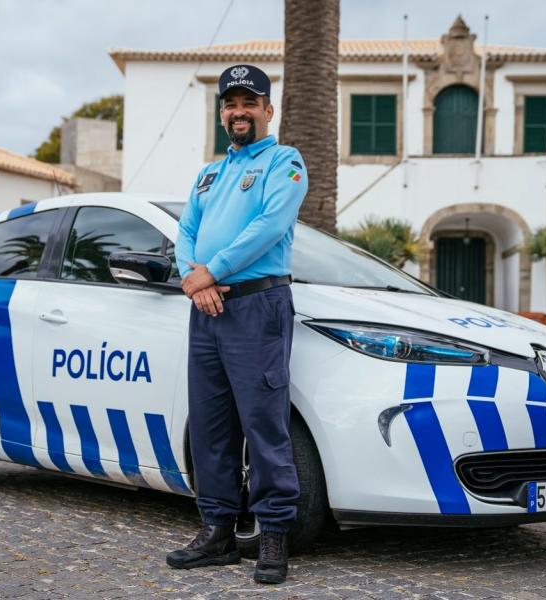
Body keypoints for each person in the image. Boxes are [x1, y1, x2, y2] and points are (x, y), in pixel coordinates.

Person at [165, 64, 309, 585]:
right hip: (205, 310)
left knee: (264, 425)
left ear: (268, 110)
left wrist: (213, 270)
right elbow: (186, 230)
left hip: (256, 306)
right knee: (210, 426)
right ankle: (217, 533)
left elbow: (269, 225)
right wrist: (193, 279)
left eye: (250, 102)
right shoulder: (209, 173)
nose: (239, 111)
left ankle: (272, 536)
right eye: (231, 103)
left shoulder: (283, 162)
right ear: (222, 112)